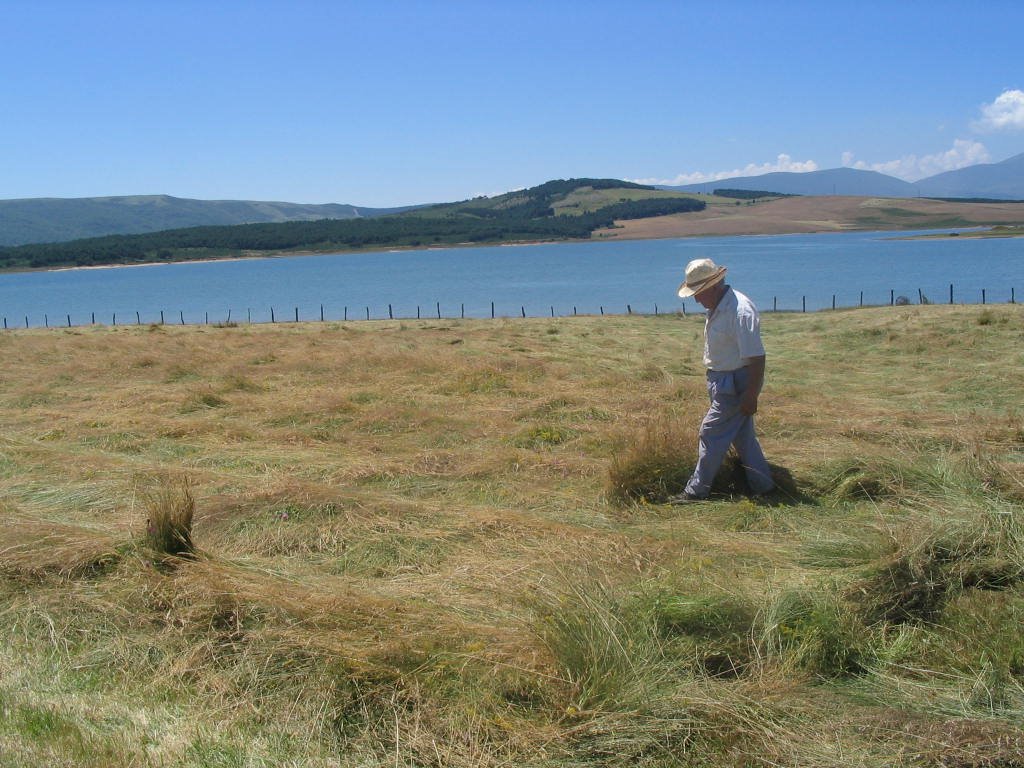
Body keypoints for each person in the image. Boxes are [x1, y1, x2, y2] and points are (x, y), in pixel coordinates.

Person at [669, 258, 775, 502]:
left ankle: (696, 491)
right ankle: (764, 486)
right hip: (722, 381)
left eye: (699, 293)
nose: (696, 299)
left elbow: (757, 357)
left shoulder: (740, 311)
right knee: (742, 437)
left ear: (713, 287)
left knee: (710, 432)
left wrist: (751, 395)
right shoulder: (718, 305)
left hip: (735, 384)